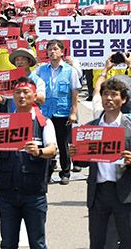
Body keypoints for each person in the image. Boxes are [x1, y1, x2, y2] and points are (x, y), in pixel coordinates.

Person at [0, 77, 57, 249]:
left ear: (35, 95)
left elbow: (52, 149)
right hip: (7, 193)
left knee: (37, 243)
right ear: (12, 96)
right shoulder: (2, 122)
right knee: (7, 243)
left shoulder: (44, 122)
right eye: (17, 92)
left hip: (34, 194)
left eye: (26, 92)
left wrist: (39, 152)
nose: (21, 96)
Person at [70, 77, 131, 249]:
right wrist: (75, 155)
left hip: (124, 191)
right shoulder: (91, 127)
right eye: (105, 94)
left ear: (124, 99)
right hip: (99, 193)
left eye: (113, 95)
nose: (108, 99)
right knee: (97, 241)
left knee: (128, 240)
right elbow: (83, 162)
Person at [36, 39, 82, 185]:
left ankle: (65, 172)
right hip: (45, 112)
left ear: (62, 52)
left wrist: (73, 112)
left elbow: (74, 93)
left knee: (63, 144)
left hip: (62, 111)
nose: (52, 51)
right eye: (49, 49)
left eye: (55, 49)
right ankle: (46, 173)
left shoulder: (70, 70)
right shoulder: (41, 69)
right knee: (46, 143)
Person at [0, 47, 46, 112]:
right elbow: (3, 100)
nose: (20, 62)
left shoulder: (37, 80)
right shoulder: (9, 79)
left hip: (32, 116)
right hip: (13, 116)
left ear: (29, 61)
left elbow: (42, 100)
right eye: (17, 60)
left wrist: (27, 94)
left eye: (23, 59)